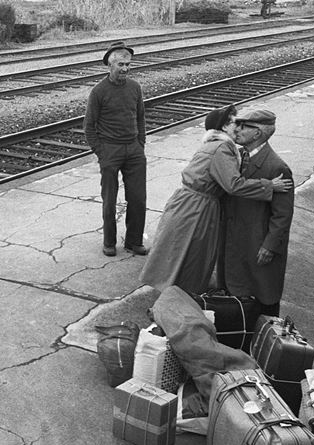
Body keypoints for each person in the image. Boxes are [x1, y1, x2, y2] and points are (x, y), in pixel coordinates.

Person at [139, 105, 293, 295]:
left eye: (242, 125)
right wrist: (269, 185)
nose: (237, 127)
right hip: (196, 209)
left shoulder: (221, 146)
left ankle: (174, 298)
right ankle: (178, 301)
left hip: (189, 205)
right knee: (190, 258)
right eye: (233, 123)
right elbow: (233, 185)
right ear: (222, 129)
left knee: (179, 256)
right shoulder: (222, 148)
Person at [221, 109, 294, 316]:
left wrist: (270, 246)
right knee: (238, 291)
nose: (238, 130)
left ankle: (266, 338)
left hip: (257, 241)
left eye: (244, 126)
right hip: (238, 238)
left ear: (258, 133)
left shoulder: (277, 167)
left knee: (263, 294)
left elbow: (282, 215)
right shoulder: (239, 156)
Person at [83, 41, 148, 257]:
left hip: (134, 150)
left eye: (128, 64)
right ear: (110, 65)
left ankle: (134, 241)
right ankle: (109, 242)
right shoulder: (99, 91)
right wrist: (101, 152)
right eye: (121, 64)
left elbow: (140, 117)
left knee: (138, 198)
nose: (125, 69)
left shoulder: (135, 88)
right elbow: (89, 126)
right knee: (109, 200)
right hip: (110, 151)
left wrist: (141, 143)